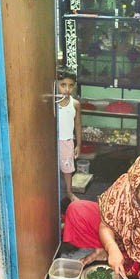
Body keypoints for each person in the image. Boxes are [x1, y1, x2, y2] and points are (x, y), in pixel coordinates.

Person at [56, 69, 82, 202]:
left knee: (67, 170)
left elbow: (77, 125)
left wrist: (79, 144)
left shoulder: (75, 104)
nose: (67, 89)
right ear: (56, 84)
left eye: (71, 85)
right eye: (63, 85)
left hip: (67, 141)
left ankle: (69, 193)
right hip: (53, 142)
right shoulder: (52, 103)